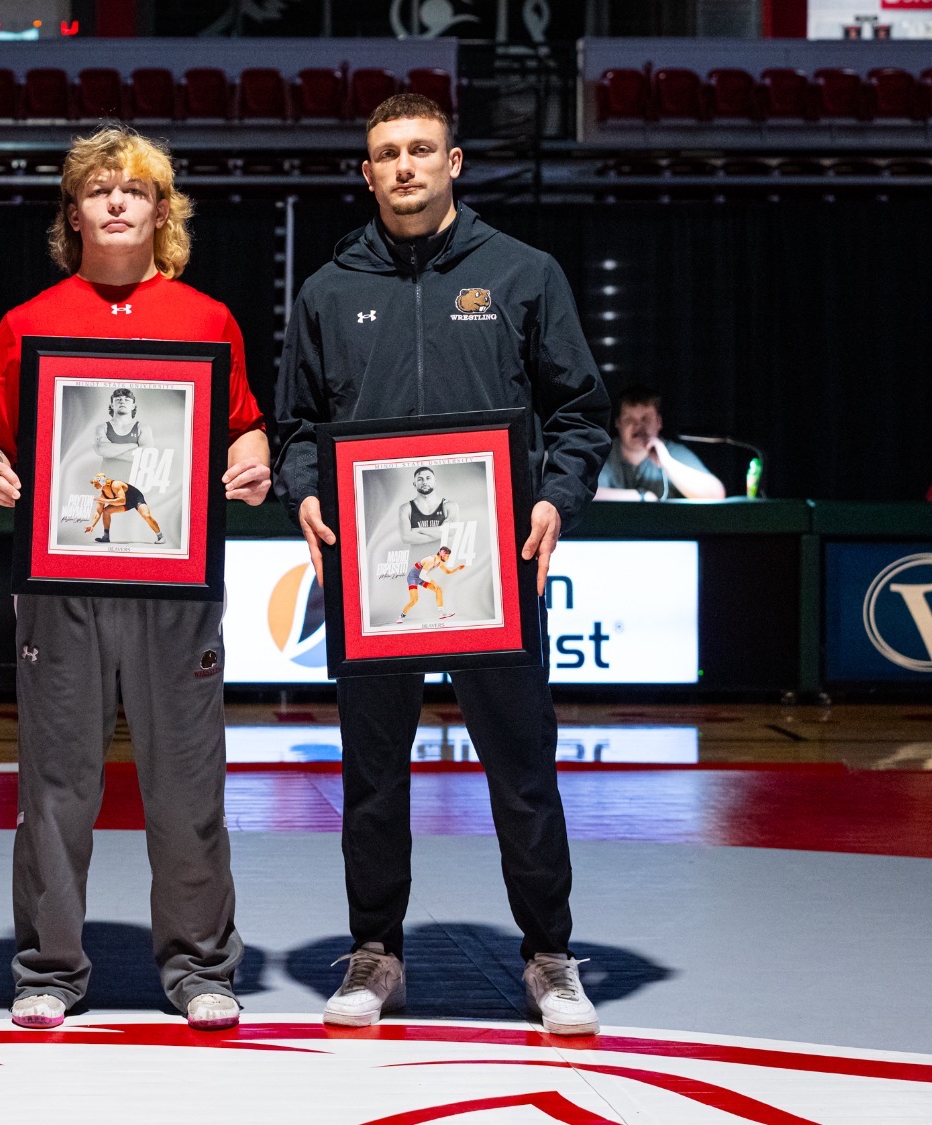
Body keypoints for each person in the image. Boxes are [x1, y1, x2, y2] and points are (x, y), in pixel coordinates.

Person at [274, 94, 611, 1036]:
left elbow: (580, 412)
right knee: (372, 772)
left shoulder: (522, 274)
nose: (406, 166)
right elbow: (298, 425)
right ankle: (375, 953)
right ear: (367, 172)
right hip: (376, 576)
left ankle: (549, 955)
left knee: (521, 768)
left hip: (494, 569)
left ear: (455, 160)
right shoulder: (327, 291)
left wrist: (553, 497)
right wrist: (303, 485)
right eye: (388, 153)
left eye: (423, 149)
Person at [0, 126, 272, 1033]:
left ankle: (199, 964)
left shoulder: (207, 319)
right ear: (74, 211)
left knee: (187, 785)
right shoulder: (28, 321)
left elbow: (245, 426)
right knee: (58, 784)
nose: (117, 202)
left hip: (177, 590)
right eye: (98, 189)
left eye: (135, 190)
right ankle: (49, 967)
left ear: (161, 211)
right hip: (62, 587)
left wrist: (250, 460)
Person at [593, 386, 725, 501]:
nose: (638, 426)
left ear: (658, 422)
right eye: (629, 420)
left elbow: (716, 494)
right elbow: (583, 493)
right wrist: (641, 497)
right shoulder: (604, 453)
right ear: (618, 423)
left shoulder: (672, 452)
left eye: (646, 419)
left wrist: (666, 461)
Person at [84, 472, 162, 544]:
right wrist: (92, 525)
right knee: (106, 511)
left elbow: (122, 501)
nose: (94, 486)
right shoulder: (103, 495)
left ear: (102, 482)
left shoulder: (115, 485)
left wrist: (104, 500)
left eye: (96, 483)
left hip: (135, 498)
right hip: (125, 503)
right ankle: (106, 537)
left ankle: (160, 536)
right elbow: (98, 512)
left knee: (146, 516)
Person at [397, 546, 464, 624]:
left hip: (421, 577)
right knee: (414, 600)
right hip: (413, 577)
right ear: (442, 554)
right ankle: (401, 617)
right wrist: (433, 582)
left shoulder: (439, 562)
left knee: (438, 589)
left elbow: (447, 572)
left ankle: (441, 613)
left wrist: (457, 568)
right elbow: (422, 575)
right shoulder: (431, 560)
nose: (448, 558)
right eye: (447, 556)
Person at [397, 465, 456, 543]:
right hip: (417, 555)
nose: (424, 482)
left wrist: (418, 530)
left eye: (428, 478)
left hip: (442, 555)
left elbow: (451, 532)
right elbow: (406, 538)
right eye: (420, 479)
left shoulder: (449, 506)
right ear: (414, 484)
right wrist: (441, 532)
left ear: (435, 482)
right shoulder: (406, 508)